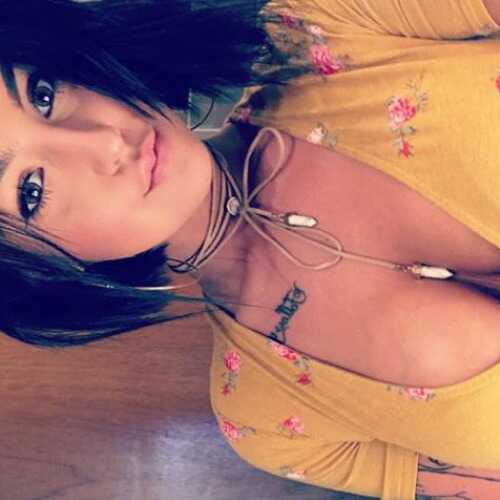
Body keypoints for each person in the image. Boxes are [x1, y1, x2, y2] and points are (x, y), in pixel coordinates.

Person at [2, 0, 500, 497]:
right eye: (32, 191)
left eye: (43, 94)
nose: (106, 142)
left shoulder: (319, 24)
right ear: (40, 273)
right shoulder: (270, 425)